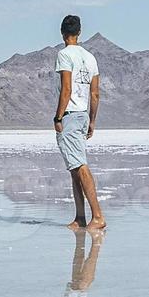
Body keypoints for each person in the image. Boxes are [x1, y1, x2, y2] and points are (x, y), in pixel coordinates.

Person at [53, 14, 105, 231]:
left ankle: (98, 216)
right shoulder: (90, 57)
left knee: (80, 166)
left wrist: (58, 117)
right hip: (83, 115)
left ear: (62, 33)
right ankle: (80, 217)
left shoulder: (64, 55)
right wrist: (92, 121)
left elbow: (67, 89)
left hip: (71, 115)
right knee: (75, 167)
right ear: (79, 32)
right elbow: (94, 94)